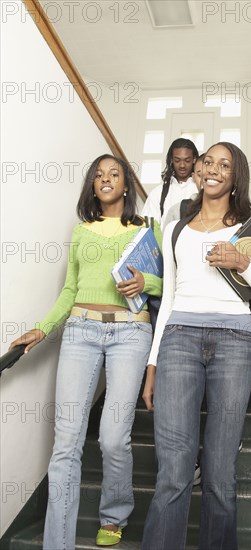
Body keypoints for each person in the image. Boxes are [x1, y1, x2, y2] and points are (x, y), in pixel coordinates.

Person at [141, 142, 251, 550]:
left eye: (224, 165)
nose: (212, 169)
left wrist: (244, 264)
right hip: (179, 340)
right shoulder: (176, 227)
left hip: (236, 342)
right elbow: (168, 299)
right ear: (197, 169)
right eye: (208, 161)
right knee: (173, 471)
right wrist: (153, 363)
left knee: (220, 473)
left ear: (236, 175)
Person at [9, 154, 163, 549]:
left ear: (126, 185)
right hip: (80, 331)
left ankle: (114, 515)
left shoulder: (149, 228)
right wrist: (42, 329)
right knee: (67, 442)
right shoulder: (82, 232)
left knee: (113, 437)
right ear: (93, 186)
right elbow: (70, 290)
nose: (106, 179)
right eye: (99, 175)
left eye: (114, 174)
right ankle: (57, 541)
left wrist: (146, 281)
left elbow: (167, 286)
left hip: (131, 333)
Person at [141, 137, 199, 229]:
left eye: (187, 160)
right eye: (177, 160)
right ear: (171, 160)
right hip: (164, 243)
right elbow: (148, 227)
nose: (182, 165)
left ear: (194, 159)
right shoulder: (157, 193)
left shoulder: (202, 189)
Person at [162, 153, 204, 227]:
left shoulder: (230, 210)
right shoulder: (177, 210)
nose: (205, 180)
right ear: (193, 177)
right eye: (200, 175)